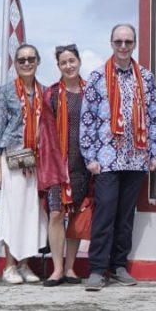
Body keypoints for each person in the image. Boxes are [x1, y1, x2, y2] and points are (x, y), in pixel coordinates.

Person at [80, 24, 156, 292]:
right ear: (111, 43)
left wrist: (154, 152)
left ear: (135, 43)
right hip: (106, 159)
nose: (124, 46)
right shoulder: (97, 77)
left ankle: (118, 266)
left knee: (126, 217)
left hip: (136, 159)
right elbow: (87, 120)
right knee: (105, 214)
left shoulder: (146, 78)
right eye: (119, 41)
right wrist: (89, 156)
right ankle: (96, 269)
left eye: (128, 41)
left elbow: (152, 117)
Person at [0, 44, 48, 285]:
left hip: (37, 159)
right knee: (13, 211)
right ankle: (10, 265)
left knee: (32, 212)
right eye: (22, 60)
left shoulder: (45, 91)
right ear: (15, 63)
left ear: (38, 61)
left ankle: (25, 264)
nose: (26, 63)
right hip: (13, 156)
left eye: (31, 59)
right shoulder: (6, 92)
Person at [37, 44, 91, 287]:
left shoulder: (91, 92)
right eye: (63, 62)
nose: (68, 65)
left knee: (77, 216)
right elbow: (44, 131)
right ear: (58, 66)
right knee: (57, 214)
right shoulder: (51, 94)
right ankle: (57, 269)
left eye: (72, 61)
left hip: (83, 165)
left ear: (79, 62)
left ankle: (70, 267)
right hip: (57, 164)